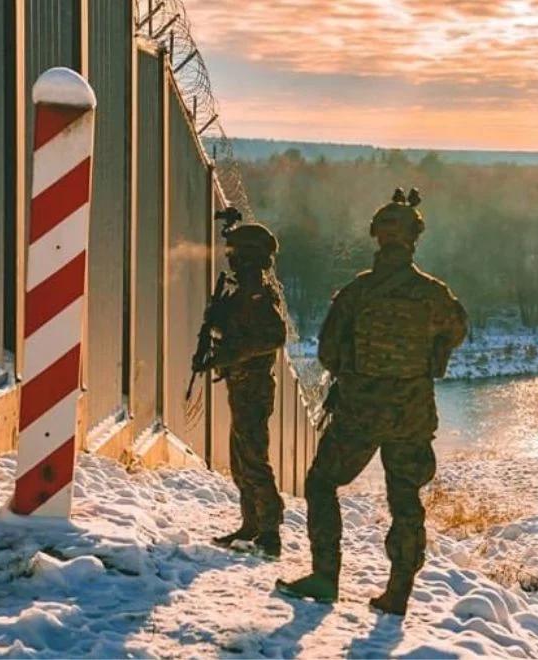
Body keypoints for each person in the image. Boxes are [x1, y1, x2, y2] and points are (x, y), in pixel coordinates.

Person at [278, 188, 468, 615]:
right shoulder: (434, 294)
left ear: (377, 237)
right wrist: (425, 358)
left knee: (322, 483)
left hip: (359, 412)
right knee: (405, 498)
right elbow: (456, 331)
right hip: (412, 414)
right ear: (414, 239)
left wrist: (357, 371)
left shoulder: (357, 293)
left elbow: (328, 350)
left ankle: (325, 576)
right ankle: (398, 590)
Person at [193, 222, 287, 559]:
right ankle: (251, 525)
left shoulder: (255, 291)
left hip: (254, 386)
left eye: (234, 252)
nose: (229, 258)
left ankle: (270, 531)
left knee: (253, 459)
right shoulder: (244, 290)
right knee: (240, 458)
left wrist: (226, 354)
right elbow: (239, 329)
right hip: (243, 384)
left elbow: (274, 336)